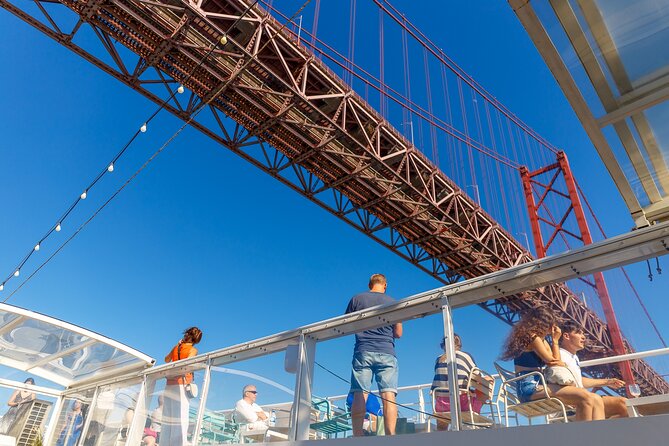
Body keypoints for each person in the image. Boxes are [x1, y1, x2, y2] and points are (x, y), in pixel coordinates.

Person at [501, 308, 605, 422]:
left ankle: (594, 434)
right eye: (552, 323)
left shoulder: (542, 340)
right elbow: (552, 361)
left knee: (593, 398)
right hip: (529, 388)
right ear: (544, 322)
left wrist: (555, 341)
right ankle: (584, 437)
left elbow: (555, 361)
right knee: (584, 396)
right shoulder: (532, 337)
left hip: (540, 386)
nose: (555, 327)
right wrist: (556, 356)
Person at [345, 273, 402, 436]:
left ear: (370, 285)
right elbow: (398, 333)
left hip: (363, 350)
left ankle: (358, 436)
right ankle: (391, 435)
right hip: (387, 351)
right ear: (385, 285)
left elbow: (346, 325)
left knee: (359, 394)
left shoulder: (357, 299)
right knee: (389, 394)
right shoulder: (394, 302)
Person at [559, 321, 628, 419]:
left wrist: (607, 382)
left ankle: (602, 430)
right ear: (566, 336)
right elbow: (560, 381)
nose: (583, 337)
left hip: (582, 395)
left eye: (583, 333)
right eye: (578, 333)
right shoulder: (560, 355)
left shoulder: (574, 357)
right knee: (596, 399)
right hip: (572, 399)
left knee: (624, 404)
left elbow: (578, 380)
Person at [431, 334, 486, 430]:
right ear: (459, 345)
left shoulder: (438, 359)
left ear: (444, 346)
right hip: (462, 404)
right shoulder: (466, 356)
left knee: (443, 412)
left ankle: (441, 435)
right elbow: (478, 377)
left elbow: (435, 385)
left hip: (441, 406)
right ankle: (474, 425)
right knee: (485, 388)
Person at [162, 326, 203, 446]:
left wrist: (177, 346)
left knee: (167, 418)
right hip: (182, 384)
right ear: (196, 340)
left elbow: (166, 359)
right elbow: (188, 363)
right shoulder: (193, 350)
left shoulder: (176, 347)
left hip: (169, 384)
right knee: (181, 418)